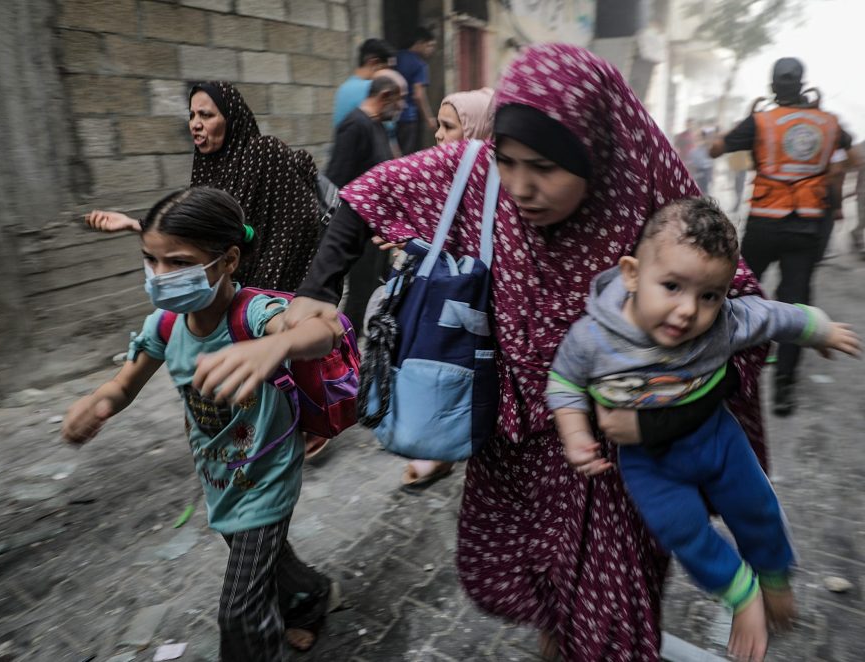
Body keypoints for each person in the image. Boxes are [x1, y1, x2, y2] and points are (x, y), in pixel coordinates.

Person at [285, 44, 770, 660]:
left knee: (610, 619)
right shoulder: (475, 172)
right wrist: (317, 289)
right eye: (508, 161)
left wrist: (660, 413)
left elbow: (744, 323)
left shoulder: (657, 207)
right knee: (545, 594)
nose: (520, 187)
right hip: (514, 445)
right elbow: (368, 193)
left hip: (616, 466)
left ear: (594, 147)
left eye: (543, 166)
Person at [547, 198, 860, 662]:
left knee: (757, 508)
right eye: (671, 286)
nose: (687, 311)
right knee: (683, 532)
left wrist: (820, 329)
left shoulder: (725, 323)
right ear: (632, 274)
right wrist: (574, 434)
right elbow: (564, 382)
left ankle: (774, 574)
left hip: (719, 441)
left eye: (709, 295)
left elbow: (774, 315)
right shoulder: (592, 337)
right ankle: (741, 592)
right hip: (649, 465)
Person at [63, 188, 345, 660]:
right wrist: (97, 402)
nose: (159, 276)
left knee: (240, 608)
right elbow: (124, 384)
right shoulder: (166, 325)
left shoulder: (253, 315)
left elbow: (324, 331)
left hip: (265, 476)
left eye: (177, 262)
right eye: (150, 261)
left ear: (229, 259)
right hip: (218, 475)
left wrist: (273, 346)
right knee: (265, 559)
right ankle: (312, 596)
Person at [710, 57, 854, 416]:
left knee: (738, 293)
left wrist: (746, 117)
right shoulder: (829, 121)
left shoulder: (762, 120)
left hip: (765, 223)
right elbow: (852, 156)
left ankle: (723, 371)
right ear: (803, 83)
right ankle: (784, 389)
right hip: (806, 225)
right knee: (796, 304)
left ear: (774, 86)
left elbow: (716, 149)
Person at [85, 82, 322, 293]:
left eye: (206, 115)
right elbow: (200, 226)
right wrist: (131, 224)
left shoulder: (264, 151)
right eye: (192, 115)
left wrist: (266, 294)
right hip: (228, 297)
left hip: (276, 296)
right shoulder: (206, 168)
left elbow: (301, 223)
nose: (195, 125)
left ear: (231, 120)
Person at [399, 86, 495, 491]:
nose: (438, 135)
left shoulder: (501, 185)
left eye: (448, 127)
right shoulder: (446, 178)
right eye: (438, 126)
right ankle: (443, 448)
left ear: (478, 131)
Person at [326, 74, 402, 333]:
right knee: (359, 295)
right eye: (399, 100)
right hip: (359, 229)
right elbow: (335, 180)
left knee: (372, 290)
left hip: (376, 230)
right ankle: (345, 353)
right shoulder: (354, 126)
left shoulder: (377, 125)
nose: (401, 108)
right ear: (384, 97)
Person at [332, 38, 396, 127]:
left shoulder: (343, 88)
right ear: (374, 63)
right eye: (386, 69)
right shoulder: (371, 88)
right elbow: (389, 128)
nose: (388, 75)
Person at [394, 27, 438, 155]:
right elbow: (418, 95)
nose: (432, 50)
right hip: (408, 117)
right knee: (405, 156)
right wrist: (429, 118)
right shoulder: (420, 65)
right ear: (419, 43)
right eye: (429, 45)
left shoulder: (396, 56)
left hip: (391, 117)